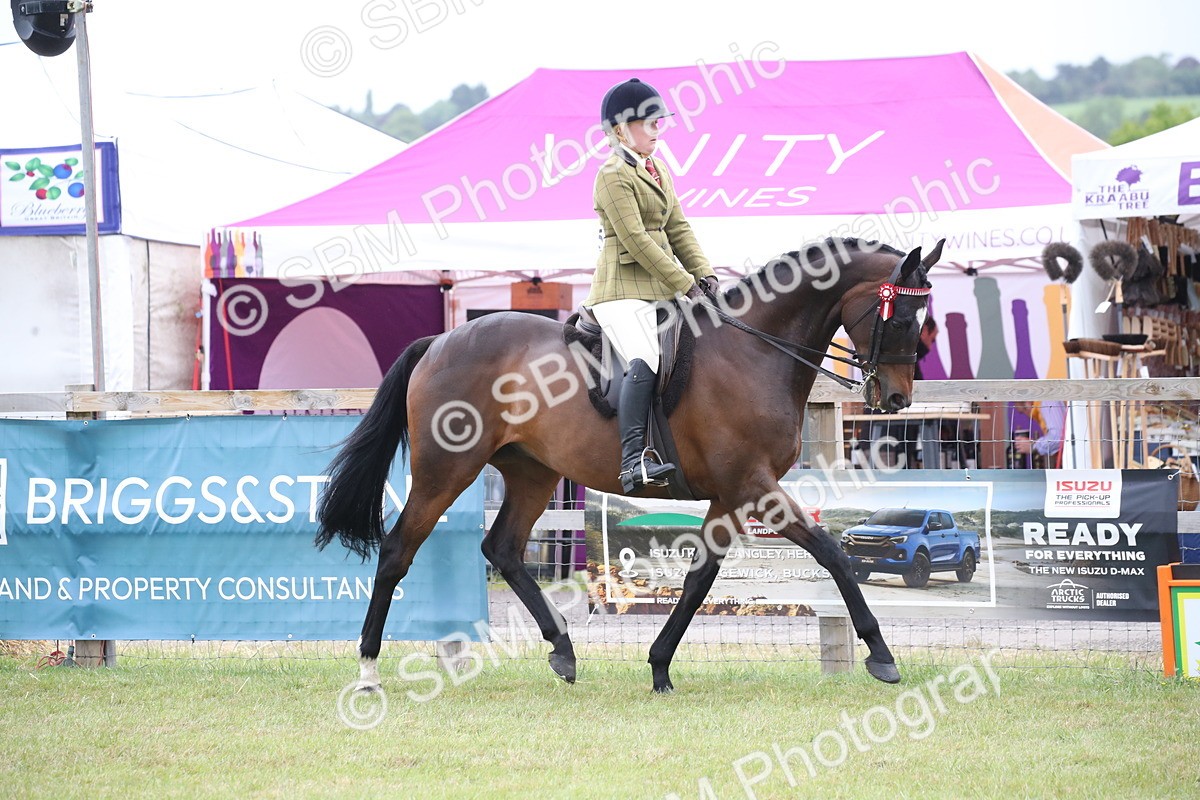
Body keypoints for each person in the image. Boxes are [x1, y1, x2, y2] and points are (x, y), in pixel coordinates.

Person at [584, 77, 717, 493]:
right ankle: (633, 461)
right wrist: (685, 284)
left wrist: (705, 274)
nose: (659, 130)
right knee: (646, 355)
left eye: (661, 123)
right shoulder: (611, 176)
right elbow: (638, 242)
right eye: (650, 123)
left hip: (660, 290)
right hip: (620, 292)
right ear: (622, 129)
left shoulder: (657, 169)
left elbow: (678, 227)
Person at [1011, 399, 1067, 468]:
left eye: (1023, 411)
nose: (1028, 417)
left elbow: (1059, 437)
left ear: (1027, 403)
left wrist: (1034, 446)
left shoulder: (1048, 401)